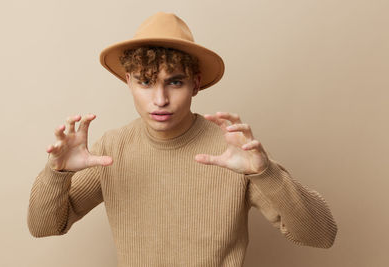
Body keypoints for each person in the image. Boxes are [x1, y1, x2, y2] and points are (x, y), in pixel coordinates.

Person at [27, 11, 338, 266]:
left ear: (196, 84)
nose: (160, 99)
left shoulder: (231, 151)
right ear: (128, 82)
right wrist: (58, 174)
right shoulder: (113, 148)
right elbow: (44, 228)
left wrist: (265, 173)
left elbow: (322, 235)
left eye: (174, 82)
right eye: (146, 83)